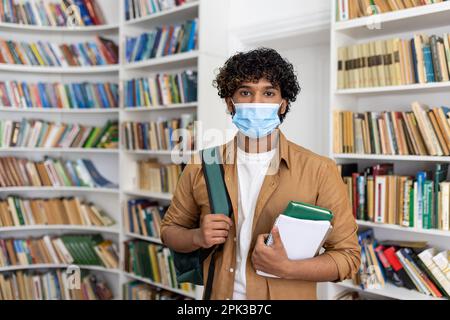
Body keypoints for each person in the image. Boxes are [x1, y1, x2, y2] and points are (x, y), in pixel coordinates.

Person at [160, 48, 361, 300]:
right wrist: (197, 236)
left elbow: (348, 258)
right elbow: (169, 231)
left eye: (268, 92)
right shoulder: (201, 164)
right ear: (230, 103)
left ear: (282, 104)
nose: (257, 102)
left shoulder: (320, 170)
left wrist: (287, 268)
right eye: (245, 92)